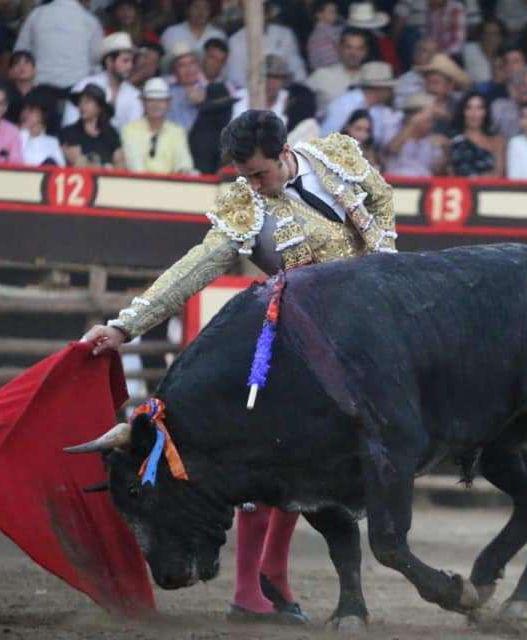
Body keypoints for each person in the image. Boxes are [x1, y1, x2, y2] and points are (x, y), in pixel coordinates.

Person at [82, 108, 397, 623]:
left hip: (369, 336)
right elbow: (200, 264)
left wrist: (382, 254)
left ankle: (268, 575)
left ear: (284, 154)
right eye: (244, 175)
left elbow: (382, 198)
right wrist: (125, 325)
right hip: (297, 346)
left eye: (260, 173)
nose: (252, 184)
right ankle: (253, 587)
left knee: (307, 458)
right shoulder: (246, 205)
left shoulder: (334, 155)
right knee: (265, 454)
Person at [62, 32, 144, 131]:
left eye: (132, 61)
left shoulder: (134, 95)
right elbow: (69, 125)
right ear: (109, 61)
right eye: (125, 61)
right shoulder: (85, 86)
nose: (130, 66)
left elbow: (134, 132)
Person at [15, 0, 103, 91]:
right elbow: (96, 63)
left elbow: (20, 53)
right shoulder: (90, 21)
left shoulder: (37, 15)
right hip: (77, 89)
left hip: (40, 87)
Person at [121, 77, 195, 174]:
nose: (156, 105)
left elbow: (183, 163)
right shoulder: (129, 129)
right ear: (143, 103)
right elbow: (135, 165)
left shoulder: (177, 131)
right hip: (139, 184)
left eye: (161, 101)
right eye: (151, 100)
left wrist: (183, 171)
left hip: (171, 186)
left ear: (168, 104)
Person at [320, 61, 400, 148]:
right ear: (380, 89)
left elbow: (380, 143)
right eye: (389, 88)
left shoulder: (380, 109)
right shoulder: (345, 104)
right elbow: (325, 137)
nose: (391, 92)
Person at [306, 27, 368, 114]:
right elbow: (298, 98)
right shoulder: (322, 75)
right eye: (348, 47)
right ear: (340, 48)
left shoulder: (371, 78)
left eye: (359, 49)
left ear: (365, 51)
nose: (353, 53)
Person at [60, 83, 124, 168]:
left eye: (87, 102)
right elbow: (77, 162)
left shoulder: (111, 133)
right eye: (80, 102)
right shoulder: (70, 132)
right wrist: (106, 167)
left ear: (99, 108)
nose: (82, 106)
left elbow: (120, 163)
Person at [383, 92, 447, 176]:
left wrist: (446, 150)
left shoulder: (433, 139)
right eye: (429, 120)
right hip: (397, 182)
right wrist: (413, 123)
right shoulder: (393, 127)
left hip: (424, 183)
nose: (432, 124)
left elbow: (438, 171)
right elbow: (390, 150)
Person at [448, 91, 505, 177]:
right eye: (469, 108)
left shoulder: (497, 141)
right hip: (459, 189)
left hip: (487, 189)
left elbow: (499, 174)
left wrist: (475, 183)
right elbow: (450, 174)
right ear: (463, 112)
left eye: (479, 108)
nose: (474, 113)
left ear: (485, 112)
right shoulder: (454, 140)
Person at [232, 55, 291, 124]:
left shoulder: (289, 100)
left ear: (283, 81)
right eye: (268, 77)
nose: (271, 83)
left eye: (276, 78)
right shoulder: (240, 97)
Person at [164, 41, 206, 131]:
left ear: (198, 66)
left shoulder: (209, 90)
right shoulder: (168, 94)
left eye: (192, 63)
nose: (188, 69)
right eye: (181, 65)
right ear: (174, 71)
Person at [159, 0, 226, 53]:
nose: (201, 12)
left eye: (206, 8)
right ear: (187, 10)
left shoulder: (218, 35)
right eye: (196, 7)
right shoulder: (171, 33)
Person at [19, 96, 65, 166]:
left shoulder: (52, 141)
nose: (26, 113)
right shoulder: (14, 136)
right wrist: (24, 131)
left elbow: (61, 167)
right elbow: (17, 159)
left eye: (31, 110)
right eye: (25, 109)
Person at [306, 0, 342, 72]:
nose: (335, 14)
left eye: (335, 11)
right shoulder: (321, 33)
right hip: (330, 72)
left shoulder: (334, 28)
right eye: (330, 12)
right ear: (319, 14)